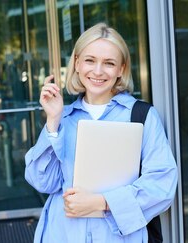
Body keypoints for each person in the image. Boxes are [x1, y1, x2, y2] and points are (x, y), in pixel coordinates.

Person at [24, 23, 178, 243]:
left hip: (119, 237)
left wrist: (101, 202)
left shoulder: (142, 115)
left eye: (109, 63)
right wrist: (52, 121)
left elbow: (161, 186)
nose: (97, 71)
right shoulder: (63, 117)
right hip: (64, 234)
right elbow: (43, 182)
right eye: (90, 60)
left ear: (121, 69)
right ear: (77, 63)